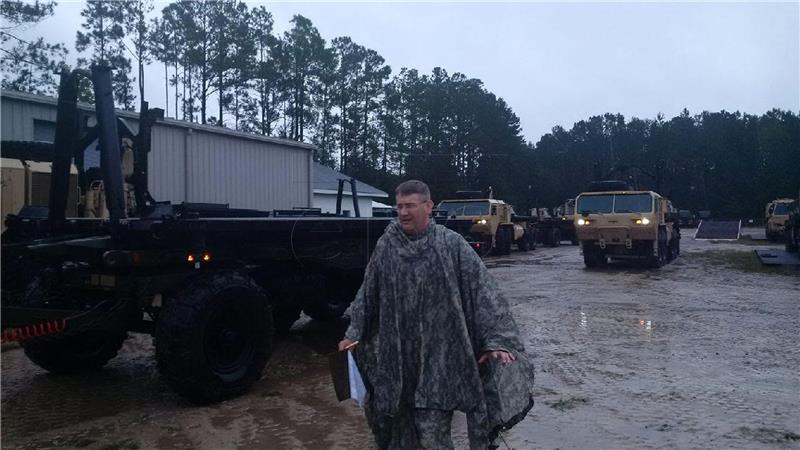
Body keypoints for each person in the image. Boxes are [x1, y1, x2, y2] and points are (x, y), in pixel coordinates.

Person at [338, 180, 534, 450]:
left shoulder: (450, 245)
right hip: (397, 363)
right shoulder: (388, 245)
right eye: (400, 206)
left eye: (411, 206)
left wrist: (496, 339)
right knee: (398, 432)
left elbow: (484, 292)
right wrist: (353, 333)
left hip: (439, 363)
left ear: (428, 207)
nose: (404, 212)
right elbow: (368, 292)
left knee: (433, 438)